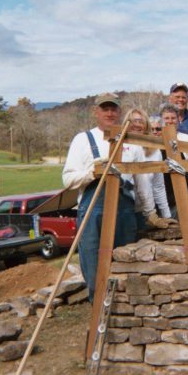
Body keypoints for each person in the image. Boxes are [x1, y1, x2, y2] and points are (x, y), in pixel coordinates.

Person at [62, 93, 153, 302]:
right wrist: (92, 173)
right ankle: (98, 318)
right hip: (93, 212)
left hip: (125, 214)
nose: (110, 113)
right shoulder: (83, 140)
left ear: (120, 112)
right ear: (96, 112)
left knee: (125, 267)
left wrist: (150, 214)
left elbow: (142, 185)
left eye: (114, 109)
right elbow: (67, 180)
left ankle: (126, 319)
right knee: (94, 269)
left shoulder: (131, 141)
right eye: (105, 109)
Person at [122, 108, 176, 231]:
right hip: (122, 208)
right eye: (132, 121)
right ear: (126, 123)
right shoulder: (119, 146)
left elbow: (158, 186)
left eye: (140, 121)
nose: (136, 124)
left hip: (144, 212)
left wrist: (166, 215)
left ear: (146, 125)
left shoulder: (154, 150)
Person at [160, 103, 188, 218]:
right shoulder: (155, 141)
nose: (170, 121)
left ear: (178, 119)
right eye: (166, 118)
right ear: (161, 120)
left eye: (173, 118)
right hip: (162, 198)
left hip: (185, 195)